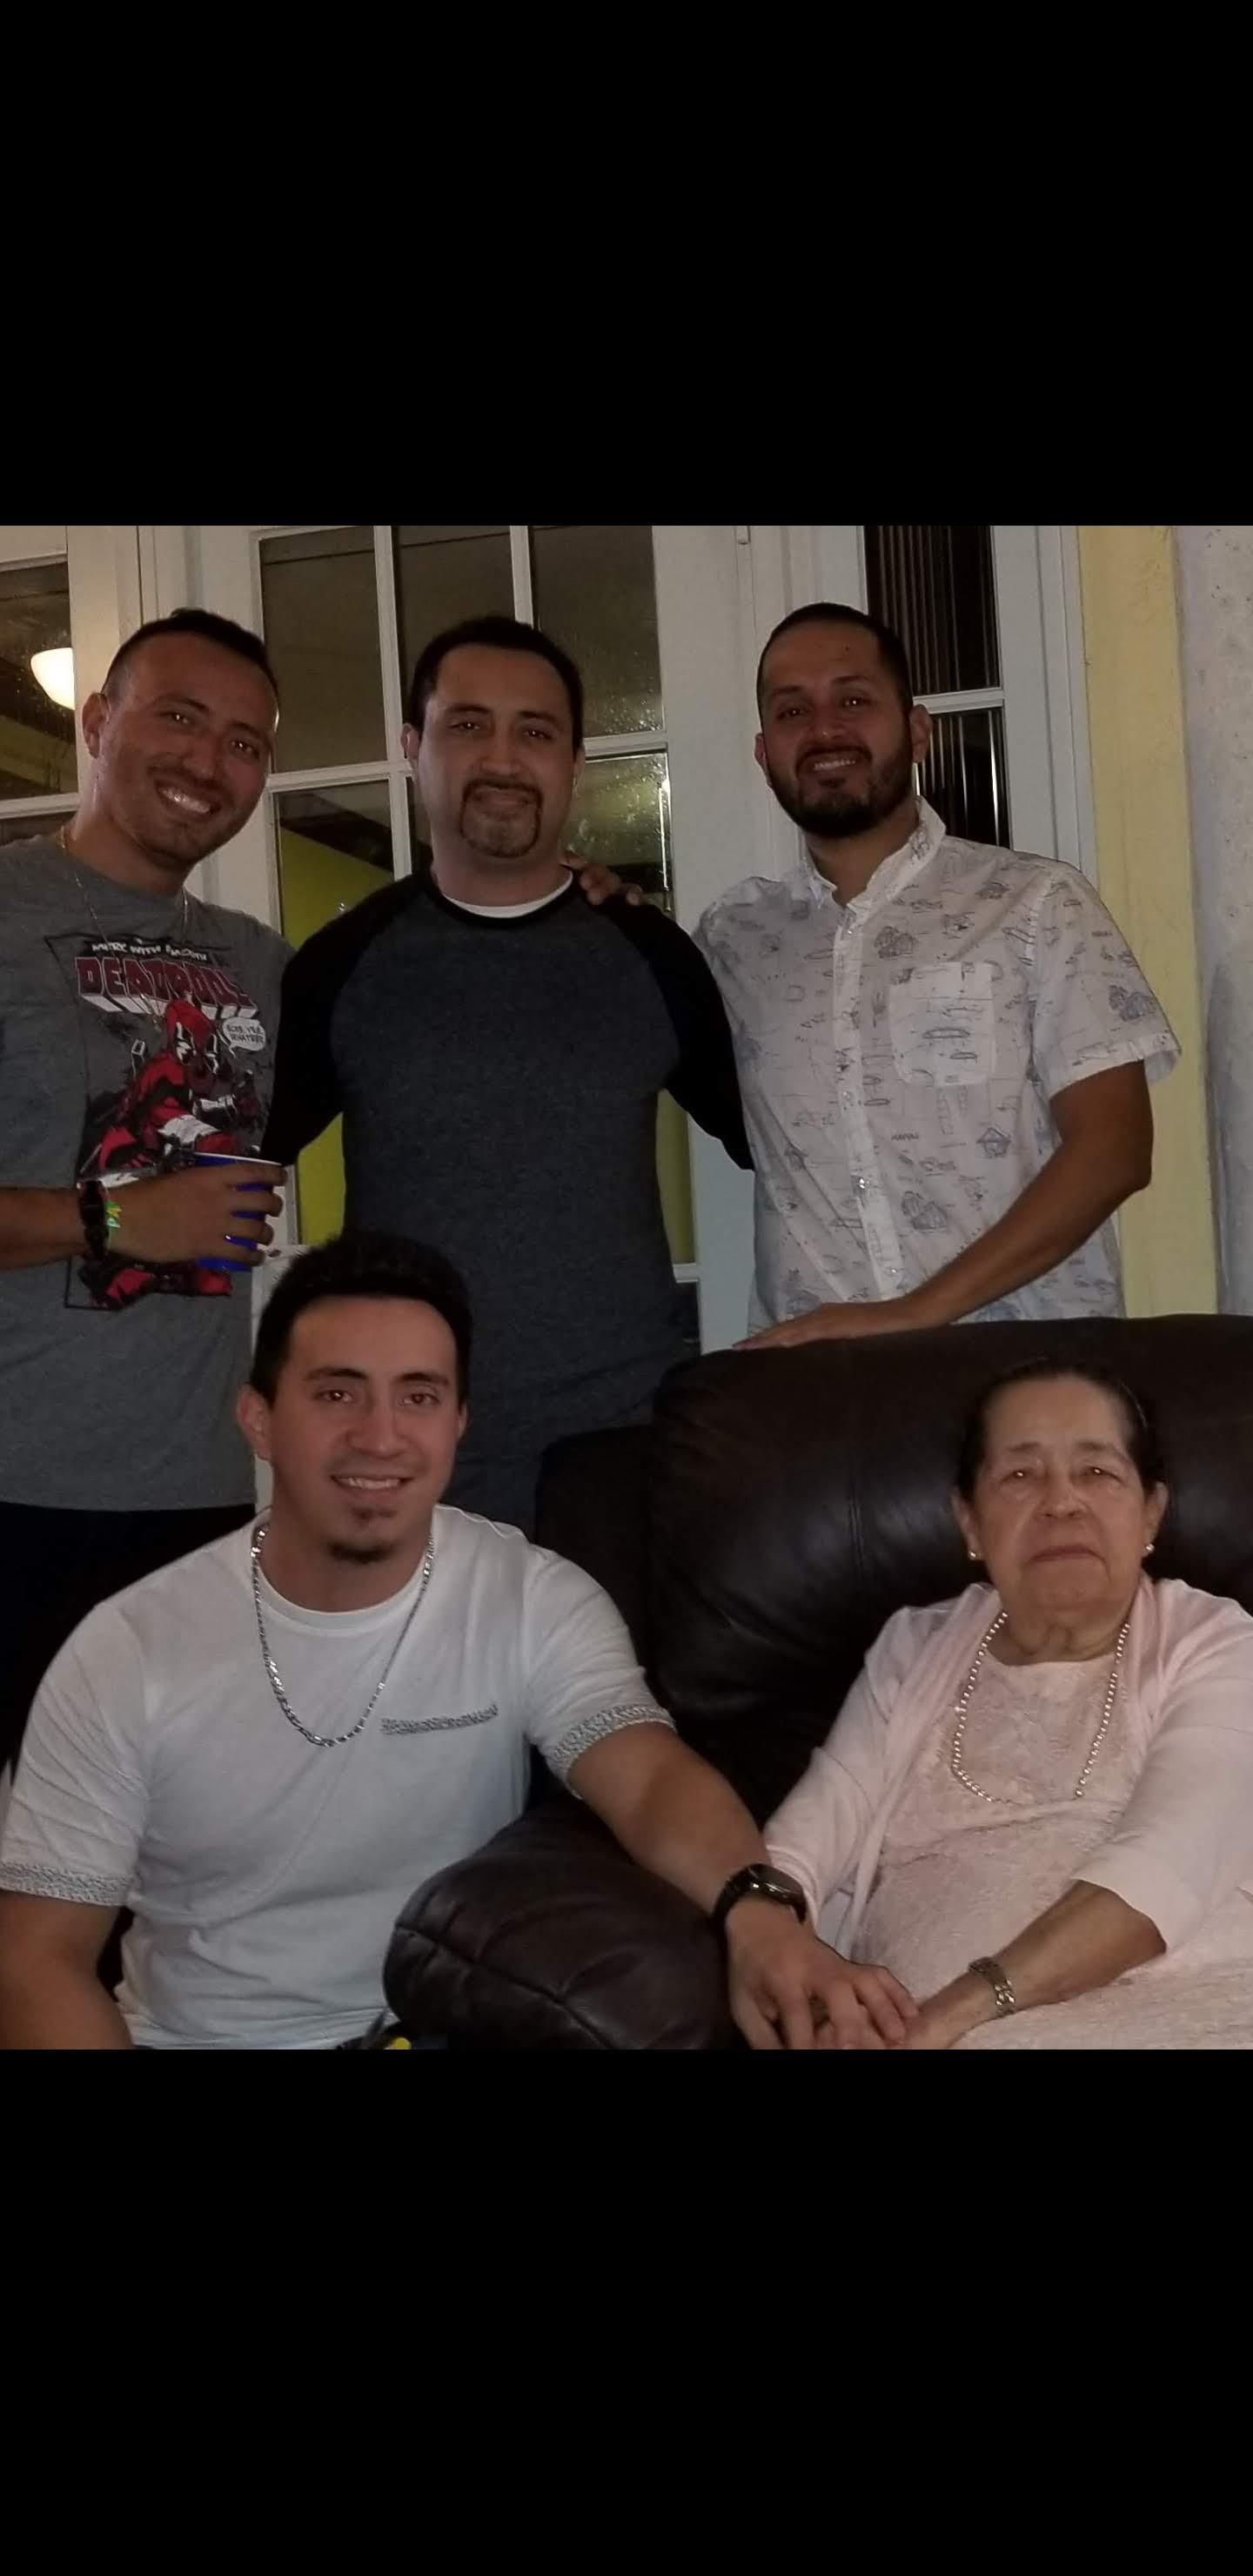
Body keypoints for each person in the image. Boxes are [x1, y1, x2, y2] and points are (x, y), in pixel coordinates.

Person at [0, 1231, 893, 2051]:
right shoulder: (128, 1649)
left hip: (446, 2027)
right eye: (337, 1392)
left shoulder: (527, 1595)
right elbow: (37, 1958)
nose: (380, 1435)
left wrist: (762, 1913)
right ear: (260, 1418)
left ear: (459, 1424)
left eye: (418, 1396)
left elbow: (649, 1774)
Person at [263, 614, 752, 1535]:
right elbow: (232, 1180)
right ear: (413, 748)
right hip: (403, 1459)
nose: (502, 755)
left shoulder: (652, 954)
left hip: (621, 1457)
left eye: (536, 731)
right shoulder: (340, 967)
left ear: (573, 762)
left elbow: (783, 1147)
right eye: (467, 724)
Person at [583, 600, 1180, 1345]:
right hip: (824, 1400)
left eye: (854, 699)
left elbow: (1114, 1150)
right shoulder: (731, 939)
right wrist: (605, 914)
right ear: (765, 752)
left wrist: (908, 1316)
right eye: (793, 710)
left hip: (1028, 1382)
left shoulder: (1037, 905)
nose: (825, 729)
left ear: (918, 729)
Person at [0, 607, 289, 1783]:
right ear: (96, 722)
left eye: (245, 742)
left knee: (159, 1879)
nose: (206, 762)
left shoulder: (258, 957)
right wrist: (115, 1219)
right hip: (22, 1491)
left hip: (204, 1500)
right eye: (177, 717)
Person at [764, 1358, 1253, 2049]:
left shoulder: (1216, 1640)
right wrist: (774, 1941)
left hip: (1203, 2012)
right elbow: (802, 1846)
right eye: (1019, 1476)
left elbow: (1168, 1865)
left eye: (1098, 1473)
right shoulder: (913, 1648)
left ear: (1152, 1513)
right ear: (969, 1521)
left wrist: (949, 2016)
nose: (1061, 1502)